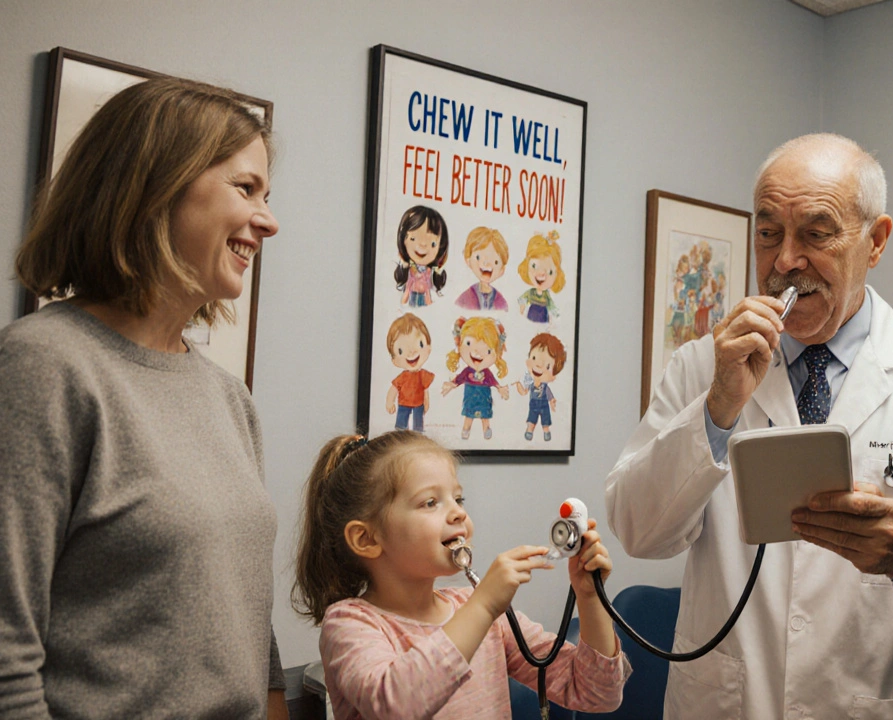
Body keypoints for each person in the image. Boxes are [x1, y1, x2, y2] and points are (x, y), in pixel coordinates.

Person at [605, 133, 893, 719]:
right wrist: (716, 409)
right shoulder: (702, 365)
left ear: (875, 242)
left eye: (816, 234)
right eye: (768, 232)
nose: (784, 262)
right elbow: (637, 529)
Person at [0, 77, 286, 717]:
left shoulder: (228, 398)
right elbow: (5, 651)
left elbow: (242, 617)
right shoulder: (44, 367)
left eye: (268, 195)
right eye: (245, 189)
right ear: (156, 185)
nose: (268, 220)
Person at [292, 430, 629, 719]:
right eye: (429, 503)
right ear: (367, 539)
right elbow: (396, 706)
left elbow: (597, 694)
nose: (458, 513)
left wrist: (589, 597)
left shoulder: (481, 613)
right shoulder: (349, 625)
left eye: (458, 497)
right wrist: (482, 607)